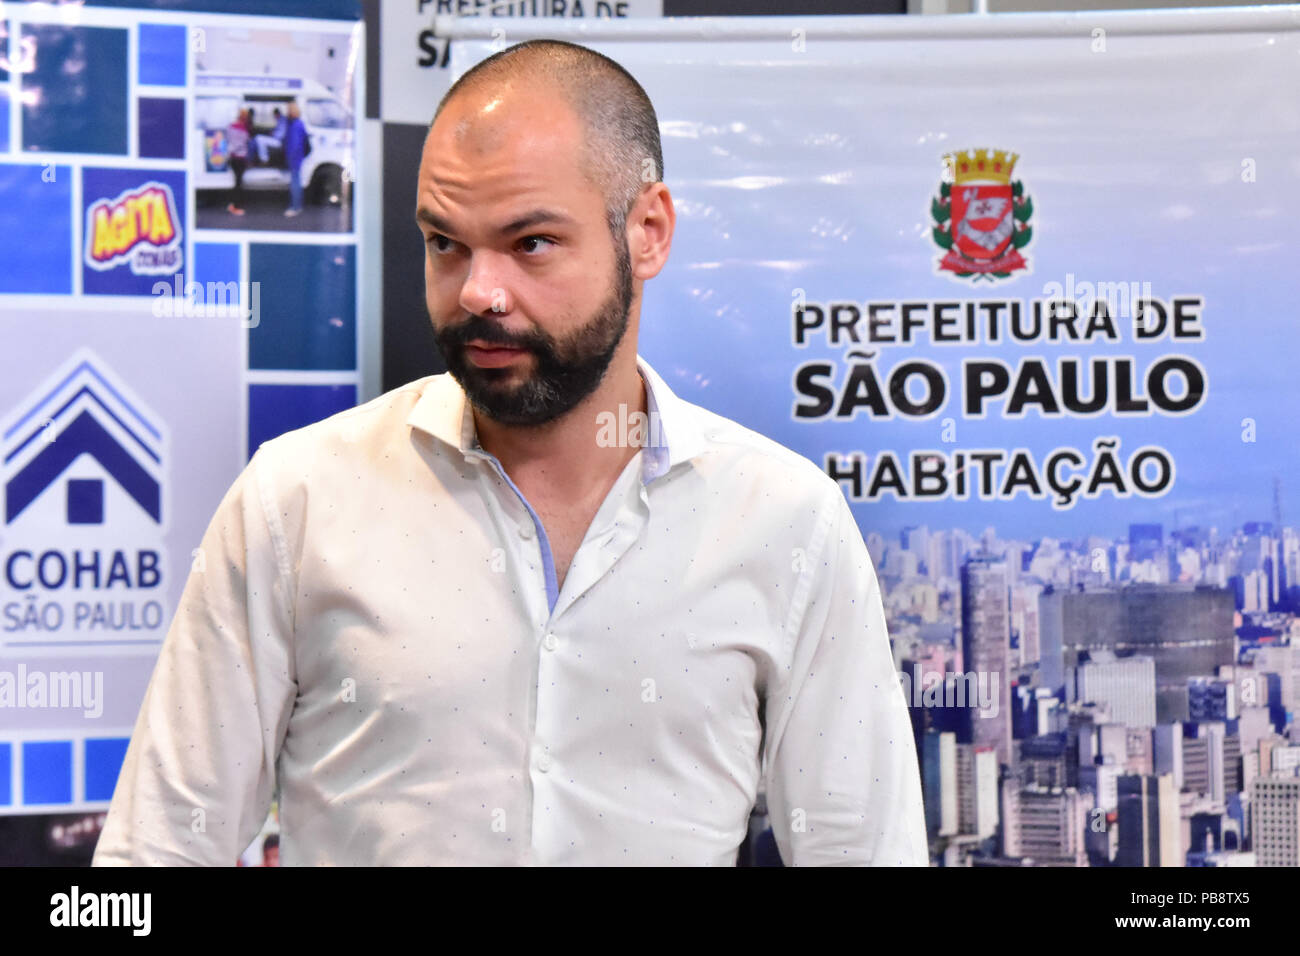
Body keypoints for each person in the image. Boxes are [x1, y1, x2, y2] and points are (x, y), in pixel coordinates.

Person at [91, 39, 927, 867]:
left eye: (530, 244)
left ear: (647, 231)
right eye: (445, 243)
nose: (478, 293)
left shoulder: (785, 524)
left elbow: (866, 851)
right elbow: (159, 851)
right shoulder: (298, 498)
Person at [282, 102, 307, 217]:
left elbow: (294, 144)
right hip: (297, 158)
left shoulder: (295, 125)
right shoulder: (299, 123)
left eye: (288, 110)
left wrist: (289, 158)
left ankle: (295, 207)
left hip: (294, 158)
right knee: (296, 182)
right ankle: (298, 206)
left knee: (295, 183)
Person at [225, 109, 250, 216]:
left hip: (232, 157)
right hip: (240, 158)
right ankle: (235, 207)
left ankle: (232, 205)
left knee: (236, 182)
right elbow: (244, 142)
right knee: (238, 184)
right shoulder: (244, 129)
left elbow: (229, 140)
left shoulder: (230, 127)